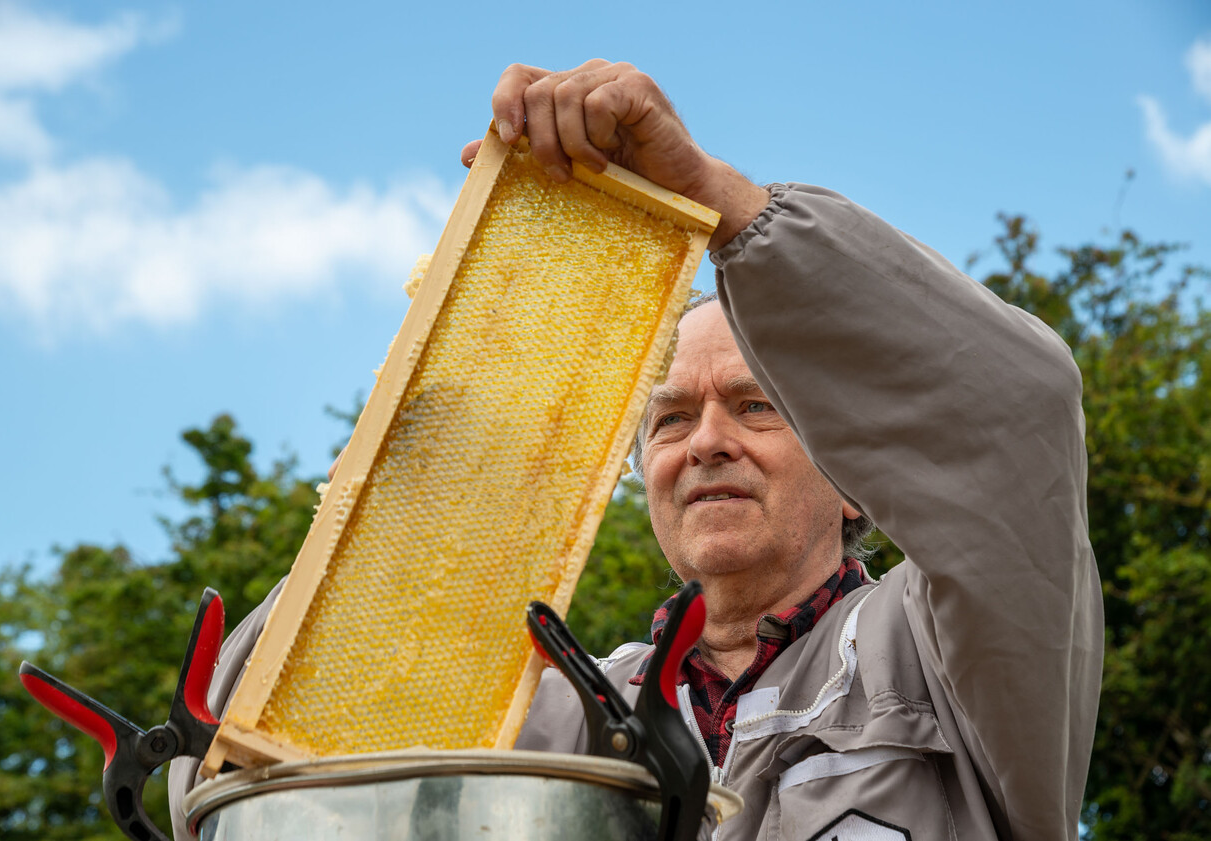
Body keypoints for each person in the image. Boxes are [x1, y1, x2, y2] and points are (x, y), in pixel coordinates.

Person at [169, 60, 1103, 841]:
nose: (706, 443)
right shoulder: (551, 712)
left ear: (857, 476)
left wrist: (717, 198)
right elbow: (251, 784)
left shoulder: (943, 648)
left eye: (755, 405)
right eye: (668, 419)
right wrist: (388, 528)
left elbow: (1016, 417)